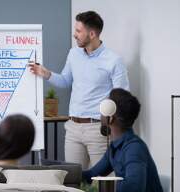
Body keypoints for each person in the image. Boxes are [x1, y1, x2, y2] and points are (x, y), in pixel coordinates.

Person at [29, 11, 130, 169]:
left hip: (98, 129)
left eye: (78, 31)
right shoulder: (74, 54)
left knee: (101, 182)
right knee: (73, 180)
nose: (74, 35)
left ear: (92, 34)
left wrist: (112, 125)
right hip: (73, 128)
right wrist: (46, 74)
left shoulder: (114, 60)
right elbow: (65, 81)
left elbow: (122, 96)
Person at [82, 88, 164, 192]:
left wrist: (100, 185)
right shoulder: (114, 147)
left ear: (110, 118)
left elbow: (134, 188)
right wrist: (63, 173)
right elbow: (92, 174)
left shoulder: (134, 148)